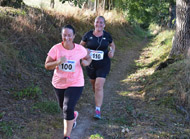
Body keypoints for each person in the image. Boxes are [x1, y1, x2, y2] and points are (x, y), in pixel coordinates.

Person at [45, 25, 91, 139]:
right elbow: (47, 65)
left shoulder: (79, 49)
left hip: (76, 82)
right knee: (63, 107)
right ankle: (73, 116)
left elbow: (88, 57)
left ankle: (67, 136)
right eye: (64, 35)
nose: (67, 37)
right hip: (59, 83)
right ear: (62, 35)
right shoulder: (56, 49)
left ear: (74, 36)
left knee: (67, 108)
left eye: (69, 35)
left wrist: (87, 62)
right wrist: (58, 62)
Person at [80, 16, 116, 119]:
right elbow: (80, 46)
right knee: (94, 86)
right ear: (94, 23)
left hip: (103, 64)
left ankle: (97, 109)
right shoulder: (88, 35)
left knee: (99, 85)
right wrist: (85, 53)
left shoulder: (107, 36)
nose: (99, 24)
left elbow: (112, 46)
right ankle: (98, 99)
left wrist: (112, 52)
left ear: (104, 25)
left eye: (101, 23)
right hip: (91, 65)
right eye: (97, 22)